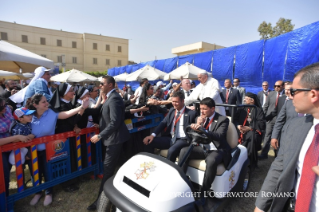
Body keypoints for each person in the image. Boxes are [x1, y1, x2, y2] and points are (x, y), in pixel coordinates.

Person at [255, 62, 319, 212]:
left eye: (294, 91)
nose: (289, 95)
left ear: (313, 94)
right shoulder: (295, 127)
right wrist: (260, 206)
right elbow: (279, 167)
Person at [26, 93, 89, 206]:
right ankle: (37, 193)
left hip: (48, 150)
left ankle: (48, 193)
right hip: (32, 151)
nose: (47, 103)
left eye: (47, 101)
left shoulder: (51, 113)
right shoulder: (29, 115)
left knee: (47, 171)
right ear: (35, 105)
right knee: (34, 172)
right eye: (43, 102)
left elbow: (65, 114)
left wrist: (82, 107)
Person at [88, 76, 130, 211]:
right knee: (112, 170)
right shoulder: (110, 97)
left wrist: (100, 135)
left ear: (110, 85)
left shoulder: (115, 98)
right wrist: (100, 124)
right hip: (113, 138)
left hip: (115, 139)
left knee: (108, 171)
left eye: (102, 84)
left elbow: (115, 122)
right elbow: (107, 117)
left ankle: (100, 202)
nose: (100, 86)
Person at [178, 97, 230, 205]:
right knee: (184, 151)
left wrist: (203, 129)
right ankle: (181, 183)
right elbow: (193, 135)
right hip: (203, 147)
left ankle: (203, 192)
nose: (202, 111)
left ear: (212, 109)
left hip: (216, 148)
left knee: (211, 161)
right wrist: (196, 126)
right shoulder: (200, 118)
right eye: (201, 108)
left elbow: (219, 136)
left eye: (205, 109)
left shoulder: (223, 120)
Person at [143, 90, 196, 162]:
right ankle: (149, 164)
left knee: (171, 150)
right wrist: (152, 135)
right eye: (173, 101)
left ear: (182, 101)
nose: (174, 104)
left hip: (182, 139)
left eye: (176, 102)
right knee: (148, 142)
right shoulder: (172, 110)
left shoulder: (191, 113)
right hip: (170, 138)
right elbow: (163, 123)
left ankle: (169, 171)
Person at [234, 92, 265, 169]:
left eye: (246, 99)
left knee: (252, 137)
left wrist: (249, 128)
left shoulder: (258, 110)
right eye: (244, 98)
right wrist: (238, 126)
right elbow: (235, 119)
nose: (244, 100)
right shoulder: (241, 108)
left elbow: (261, 123)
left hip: (252, 130)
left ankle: (250, 162)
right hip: (239, 130)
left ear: (252, 100)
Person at [270, 82, 300, 156]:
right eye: (286, 89)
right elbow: (279, 120)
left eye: (291, 90)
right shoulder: (286, 102)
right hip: (286, 136)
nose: (288, 91)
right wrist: (274, 136)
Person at [259, 80, 285, 160]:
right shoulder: (271, 94)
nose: (276, 88)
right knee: (267, 136)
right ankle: (264, 154)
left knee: (278, 137)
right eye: (275, 86)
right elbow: (266, 106)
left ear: (283, 86)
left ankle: (276, 154)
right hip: (270, 119)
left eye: (278, 86)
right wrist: (264, 116)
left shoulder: (285, 95)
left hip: (281, 120)